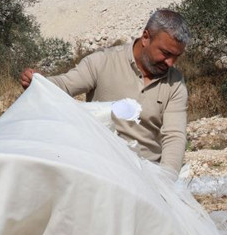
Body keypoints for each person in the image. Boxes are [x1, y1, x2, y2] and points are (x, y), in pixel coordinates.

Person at [21, 9, 191, 177]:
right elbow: (64, 85)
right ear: (146, 37)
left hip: (146, 175)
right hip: (100, 169)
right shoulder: (102, 62)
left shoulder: (175, 84)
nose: (170, 63)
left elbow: (174, 136)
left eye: (177, 56)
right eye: (166, 53)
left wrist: (166, 180)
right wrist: (39, 82)